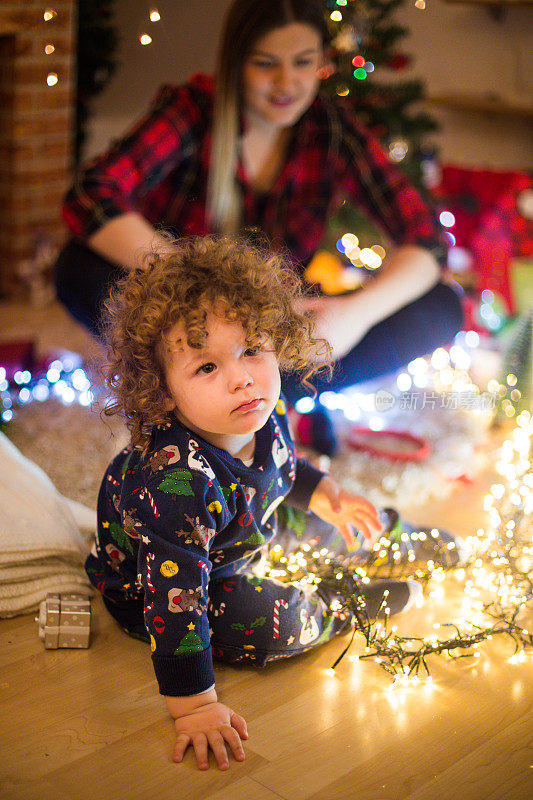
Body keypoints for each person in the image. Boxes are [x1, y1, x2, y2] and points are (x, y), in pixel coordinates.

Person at [86, 236, 464, 770]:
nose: (241, 376)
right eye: (206, 367)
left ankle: (390, 538)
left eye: (250, 350)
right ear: (164, 391)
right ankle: (342, 605)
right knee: (263, 621)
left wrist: (323, 492)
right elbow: (177, 601)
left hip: (243, 532)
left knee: (322, 523)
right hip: (173, 590)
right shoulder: (175, 483)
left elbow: (280, 466)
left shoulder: (260, 406)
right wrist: (195, 708)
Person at [56, 0, 463, 453]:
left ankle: (257, 403)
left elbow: (425, 236)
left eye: (303, 62)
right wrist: (192, 279)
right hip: (182, 318)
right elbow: (91, 193)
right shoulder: (193, 110)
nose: (287, 83)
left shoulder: (331, 128)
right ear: (236, 63)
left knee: (441, 306)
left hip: (277, 321)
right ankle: (236, 397)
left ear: (322, 63)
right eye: (266, 64)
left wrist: (355, 314)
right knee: (76, 264)